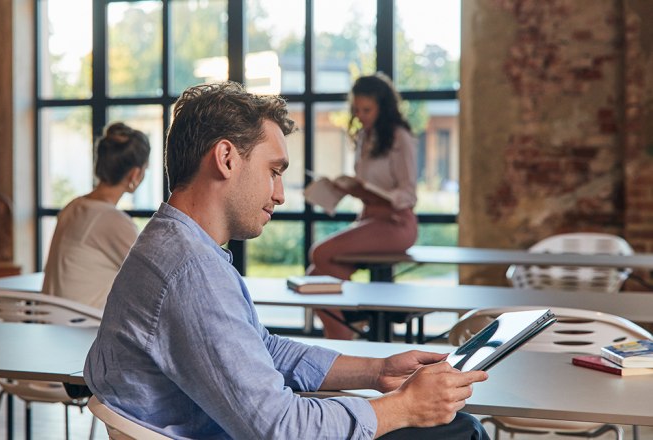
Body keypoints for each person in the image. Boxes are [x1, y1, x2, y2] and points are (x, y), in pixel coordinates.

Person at [84, 82, 489, 439]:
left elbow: (263, 349)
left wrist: (377, 370)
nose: (280, 195)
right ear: (226, 158)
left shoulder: (175, 247)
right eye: (274, 171)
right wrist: (404, 407)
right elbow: (281, 429)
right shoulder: (190, 271)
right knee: (460, 430)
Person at [308, 73, 418, 340]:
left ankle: (355, 325)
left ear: (383, 107)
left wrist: (384, 196)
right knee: (313, 279)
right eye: (356, 109)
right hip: (369, 218)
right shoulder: (363, 138)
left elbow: (409, 193)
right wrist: (349, 188)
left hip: (396, 222)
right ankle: (343, 335)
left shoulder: (399, 137)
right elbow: (366, 185)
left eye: (366, 109)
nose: (360, 116)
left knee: (319, 253)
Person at [42, 122, 150, 309]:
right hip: (83, 331)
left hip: (52, 325)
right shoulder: (113, 221)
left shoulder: (73, 206)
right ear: (135, 174)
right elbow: (153, 280)